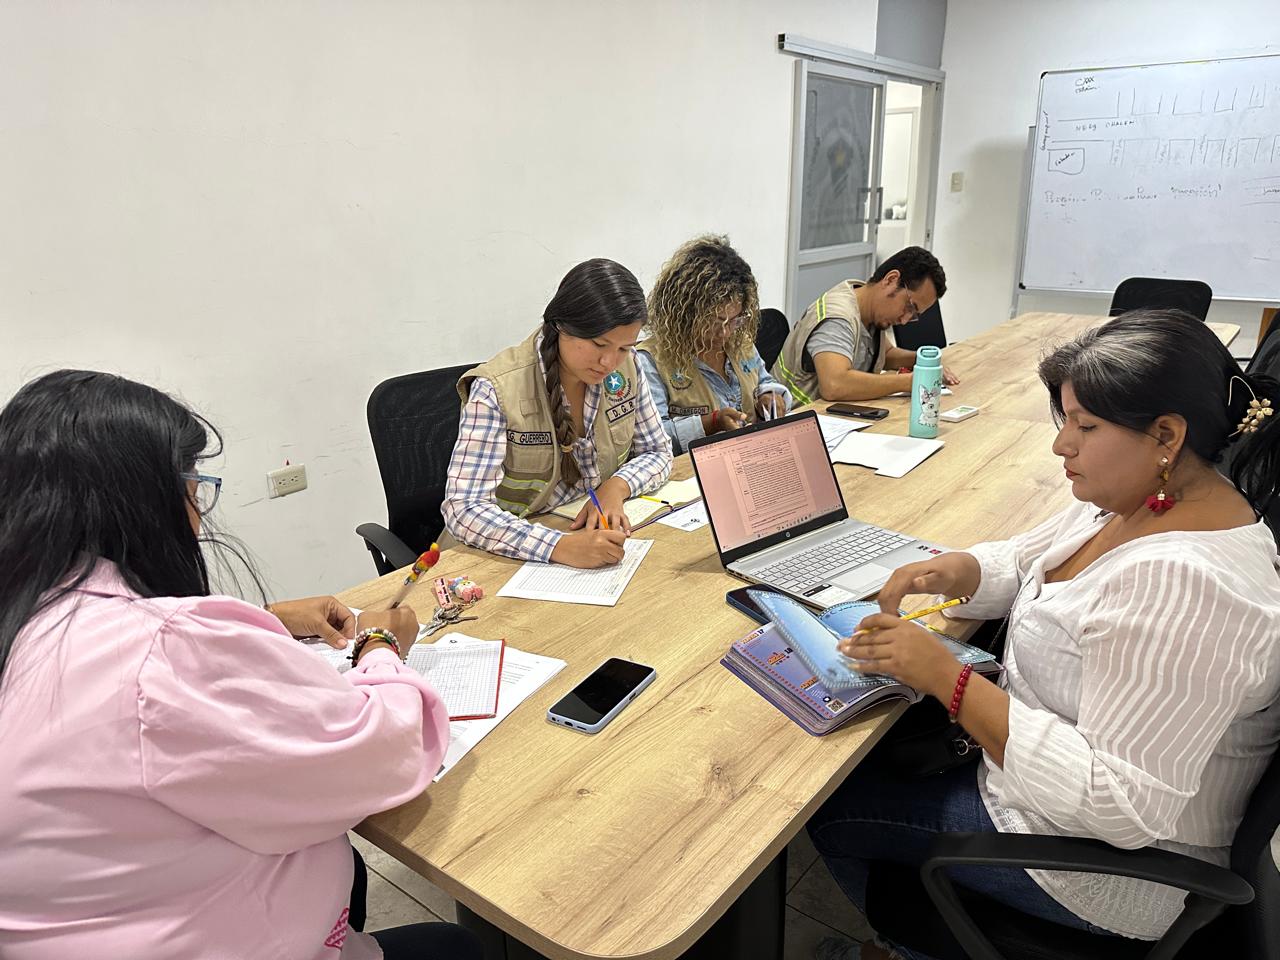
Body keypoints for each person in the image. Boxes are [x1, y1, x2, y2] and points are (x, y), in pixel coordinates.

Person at [806, 310, 1280, 959]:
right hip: (1044, 796)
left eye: (1085, 427)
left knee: (829, 807)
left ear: (1166, 435)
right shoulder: (1149, 496)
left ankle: (903, 945)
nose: (1061, 445)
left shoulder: (1188, 586)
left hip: (1100, 865)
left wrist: (946, 678)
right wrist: (960, 570)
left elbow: (1118, 805)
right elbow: (1037, 561)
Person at [0, 370, 481, 960]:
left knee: (351, 870)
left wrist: (266, 617)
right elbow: (383, 753)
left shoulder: (25, 608)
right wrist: (380, 643)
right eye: (194, 485)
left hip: (91, 915)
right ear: (149, 501)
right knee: (455, 946)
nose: (199, 510)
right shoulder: (162, 654)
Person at [443, 258, 672, 568]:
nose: (609, 362)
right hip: (498, 556)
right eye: (599, 344)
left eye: (623, 348)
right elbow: (464, 508)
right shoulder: (497, 388)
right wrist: (558, 546)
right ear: (563, 326)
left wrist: (616, 488)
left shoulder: (628, 367)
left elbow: (658, 451)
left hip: (581, 532)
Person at [637, 234, 791, 454]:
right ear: (686, 314)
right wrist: (711, 423)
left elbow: (764, 380)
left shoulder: (740, 341)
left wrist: (770, 396)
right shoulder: (652, 361)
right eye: (714, 322)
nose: (725, 332)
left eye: (735, 320)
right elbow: (654, 437)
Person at [771, 246, 957, 406]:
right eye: (909, 307)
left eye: (915, 315)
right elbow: (835, 385)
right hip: (797, 421)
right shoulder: (838, 317)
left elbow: (886, 355)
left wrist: (924, 363)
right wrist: (909, 382)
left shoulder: (868, 308)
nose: (905, 320)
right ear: (891, 280)